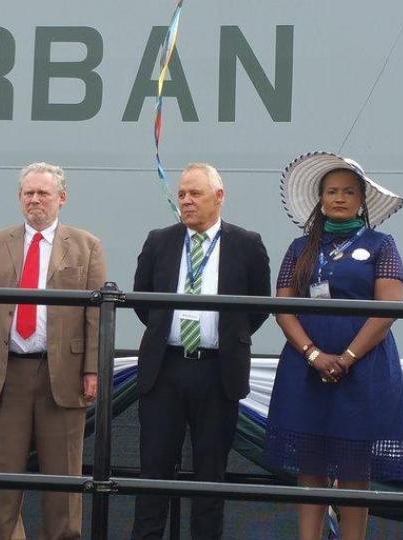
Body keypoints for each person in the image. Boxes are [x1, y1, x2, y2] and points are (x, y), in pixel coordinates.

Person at [264, 152, 403, 540]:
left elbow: (387, 309)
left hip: (364, 368)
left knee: (353, 468)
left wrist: (346, 358)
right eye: (331, 191)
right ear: (320, 199)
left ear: (362, 200)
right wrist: (313, 354)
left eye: (348, 191)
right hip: (304, 367)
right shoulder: (299, 247)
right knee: (309, 464)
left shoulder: (382, 245)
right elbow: (283, 308)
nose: (339, 198)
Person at [0, 162, 106, 540]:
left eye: (43, 193)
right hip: (7, 373)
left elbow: (96, 315)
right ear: (19, 198)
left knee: (64, 480)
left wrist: (92, 370)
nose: (36, 200)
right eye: (29, 193)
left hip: (64, 374)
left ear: (62, 198)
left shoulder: (87, 245)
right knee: (6, 478)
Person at [131, 162, 271, 540]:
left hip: (217, 372)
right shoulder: (159, 240)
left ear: (219, 197)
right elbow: (144, 303)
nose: (186, 201)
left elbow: (258, 306)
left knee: (211, 475)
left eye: (195, 193)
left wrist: (226, 337)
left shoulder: (246, 243)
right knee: (154, 473)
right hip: (165, 370)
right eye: (181, 194)